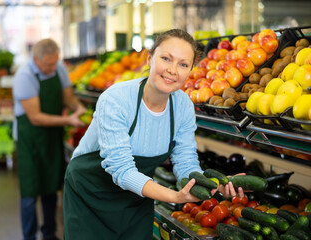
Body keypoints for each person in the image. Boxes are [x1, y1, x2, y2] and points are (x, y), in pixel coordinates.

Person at [63, 29, 244, 239]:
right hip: (89, 196)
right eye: (166, 59)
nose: (172, 70)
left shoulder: (183, 106)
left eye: (183, 64)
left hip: (136, 200)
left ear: (191, 71)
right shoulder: (116, 99)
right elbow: (121, 170)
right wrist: (176, 196)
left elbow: (186, 164)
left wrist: (214, 184)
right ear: (149, 59)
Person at [12, 38, 86, 240]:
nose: (53, 68)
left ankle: (50, 234)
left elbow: (68, 97)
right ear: (36, 60)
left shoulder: (59, 69)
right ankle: (29, 236)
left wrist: (77, 108)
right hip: (29, 141)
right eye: (48, 65)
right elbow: (35, 117)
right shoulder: (24, 77)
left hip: (52, 138)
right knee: (29, 192)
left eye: (55, 63)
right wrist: (68, 120)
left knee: (51, 187)